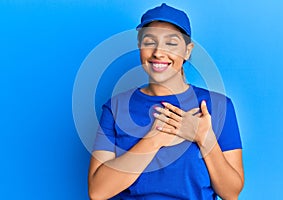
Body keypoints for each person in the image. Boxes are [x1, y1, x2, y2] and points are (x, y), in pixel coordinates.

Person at [88, 3, 244, 200]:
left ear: (188, 51)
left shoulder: (219, 106)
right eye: (149, 42)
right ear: (139, 46)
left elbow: (231, 193)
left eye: (171, 43)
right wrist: (154, 140)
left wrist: (205, 138)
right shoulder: (116, 107)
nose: (158, 52)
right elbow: (97, 192)